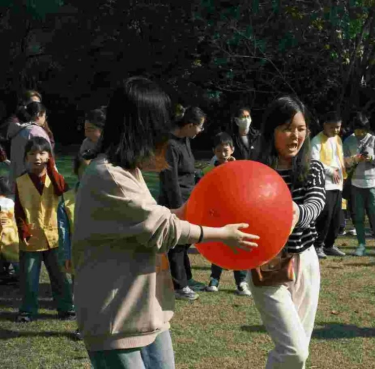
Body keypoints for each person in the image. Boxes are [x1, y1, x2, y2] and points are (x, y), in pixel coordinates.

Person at [72, 77, 259, 369]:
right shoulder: (107, 175)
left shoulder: (125, 170)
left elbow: (153, 218)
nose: (163, 134)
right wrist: (221, 234)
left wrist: (185, 210)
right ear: (139, 126)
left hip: (147, 311)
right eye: (158, 125)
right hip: (116, 319)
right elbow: (160, 230)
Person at [250, 96, 325, 369]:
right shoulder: (255, 171)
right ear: (272, 130)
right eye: (287, 128)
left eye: (301, 128)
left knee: (299, 352)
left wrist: (295, 213)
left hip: (304, 261)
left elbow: (316, 203)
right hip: (267, 262)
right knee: (294, 351)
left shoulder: (312, 168)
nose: (296, 136)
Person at [14, 137, 75, 323]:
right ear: (26, 157)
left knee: (60, 276)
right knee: (29, 278)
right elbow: (18, 209)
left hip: (55, 235)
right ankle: (27, 311)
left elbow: (63, 191)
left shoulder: (55, 179)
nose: (37, 158)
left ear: (49, 156)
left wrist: (52, 167)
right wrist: (23, 228)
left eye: (42, 153)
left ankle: (66, 309)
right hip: (31, 238)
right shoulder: (20, 181)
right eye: (32, 154)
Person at [158, 105, 207, 301]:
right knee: (178, 243)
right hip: (176, 201)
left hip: (189, 198)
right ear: (189, 125)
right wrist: (179, 209)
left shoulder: (185, 140)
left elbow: (187, 170)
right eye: (200, 127)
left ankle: (186, 278)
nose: (201, 131)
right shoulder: (170, 145)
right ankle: (179, 286)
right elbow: (170, 180)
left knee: (186, 242)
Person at [202, 132, 251, 296]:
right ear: (214, 151)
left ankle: (241, 282)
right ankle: (214, 279)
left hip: (236, 213)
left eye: (225, 150)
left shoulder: (239, 167)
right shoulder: (210, 168)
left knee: (238, 246)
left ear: (232, 150)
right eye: (218, 151)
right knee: (218, 246)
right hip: (218, 214)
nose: (222, 154)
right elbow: (205, 185)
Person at [57, 152, 92, 340]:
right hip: (78, 254)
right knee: (80, 294)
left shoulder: (109, 196)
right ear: (77, 172)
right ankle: (83, 325)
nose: (88, 174)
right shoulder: (66, 200)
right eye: (84, 170)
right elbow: (62, 231)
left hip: (104, 254)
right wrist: (67, 255)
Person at [344, 112, 375, 258]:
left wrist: (371, 158)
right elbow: (344, 161)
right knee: (358, 215)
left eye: (362, 130)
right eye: (357, 130)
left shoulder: (374, 140)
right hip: (356, 183)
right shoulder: (349, 141)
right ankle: (361, 245)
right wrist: (355, 159)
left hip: (373, 183)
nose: (360, 133)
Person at [310, 111, 346, 258]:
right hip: (324, 185)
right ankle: (317, 246)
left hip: (338, 185)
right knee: (325, 217)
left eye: (338, 127)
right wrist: (331, 172)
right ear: (325, 125)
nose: (336, 130)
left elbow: (339, 159)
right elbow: (315, 162)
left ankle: (329, 245)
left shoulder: (338, 139)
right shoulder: (316, 141)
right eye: (333, 127)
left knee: (337, 219)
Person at [10, 101, 53, 186]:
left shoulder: (18, 132)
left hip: (16, 182)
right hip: (34, 183)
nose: (45, 119)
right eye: (44, 115)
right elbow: (47, 159)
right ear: (38, 114)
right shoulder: (37, 132)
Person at [0, 176, 19, 285]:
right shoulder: (10, 202)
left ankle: (3, 273)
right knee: (14, 257)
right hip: (10, 233)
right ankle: (20, 276)